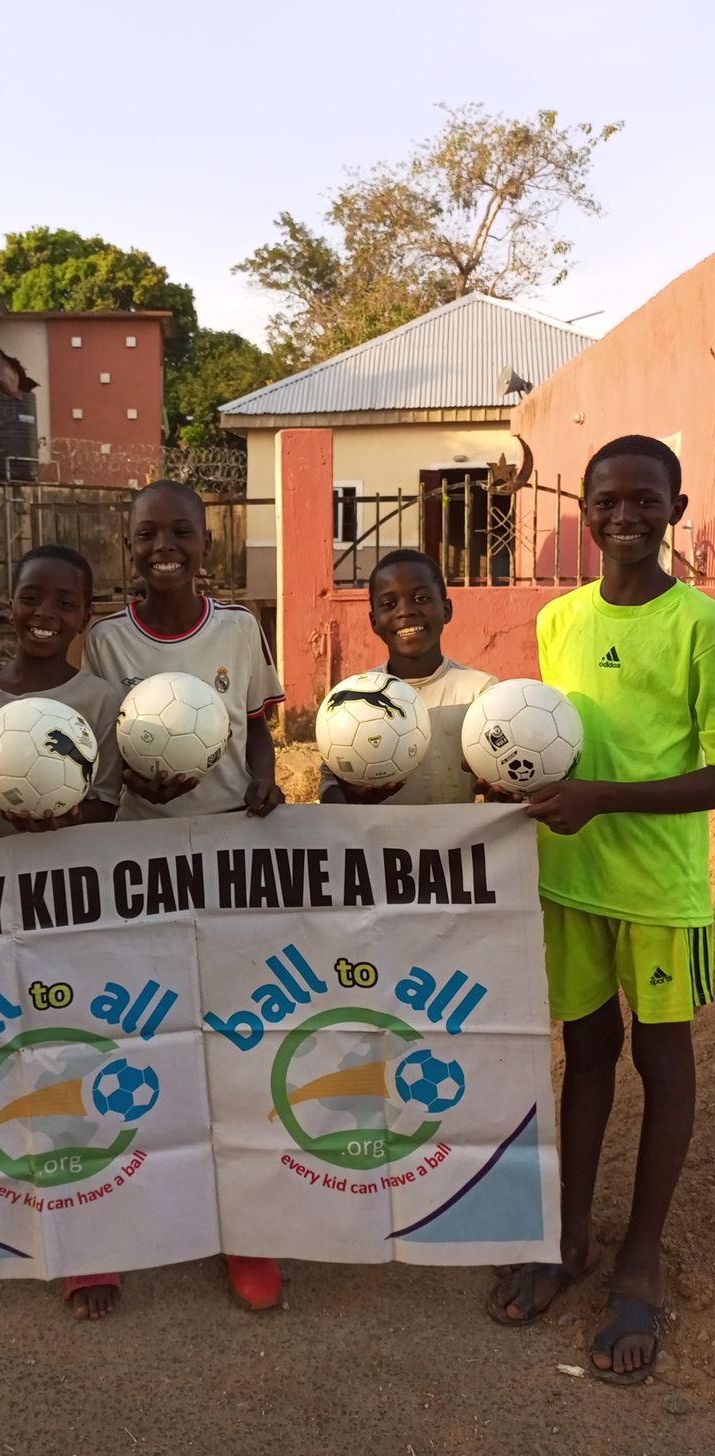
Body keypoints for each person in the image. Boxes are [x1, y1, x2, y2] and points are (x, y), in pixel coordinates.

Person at [487, 435, 715, 1385]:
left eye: (644, 500)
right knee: (583, 1054)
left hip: (659, 888)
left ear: (675, 508)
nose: (625, 516)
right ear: (583, 511)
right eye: (607, 501)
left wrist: (604, 800)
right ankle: (570, 1236)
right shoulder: (560, 619)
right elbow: (554, 742)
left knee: (662, 1063)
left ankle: (640, 1262)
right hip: (569, 878)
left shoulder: (700, 624)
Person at [83, 478, 286, 1311]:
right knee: (129, 1038)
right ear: (128, 544)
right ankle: (107, 1224)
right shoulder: (106, 641)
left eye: (180, 533)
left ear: (208, 543)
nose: (163, 547)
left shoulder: (238, 629)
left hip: (230, 861)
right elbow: (94, 743)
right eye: (146, 534)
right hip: (138, 865)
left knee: (232, 1043)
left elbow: (259, 726)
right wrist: (134, 784)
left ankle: (246, 1227)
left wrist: (265, 780)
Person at [0, 543, 122, 1320]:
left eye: (64, 604)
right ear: (8, 602)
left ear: (85, 617)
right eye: (30, 598)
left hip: (65, 911)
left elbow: (107, 805)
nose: (44, 615)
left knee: (66, 1061)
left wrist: (61, 810)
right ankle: (3, 1217)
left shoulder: (100, 702)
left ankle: (86, 1245)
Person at [318, 548, 496, 807]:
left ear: (446, 609)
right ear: (374, 621)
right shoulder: (352, 699)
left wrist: (499, 792)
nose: (405, 611)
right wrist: (354, 801)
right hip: (378, 835)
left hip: (453, 834)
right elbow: (329, 788)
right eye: (389, 604)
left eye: (421, 598)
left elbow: (501, 785)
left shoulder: (480, 692)